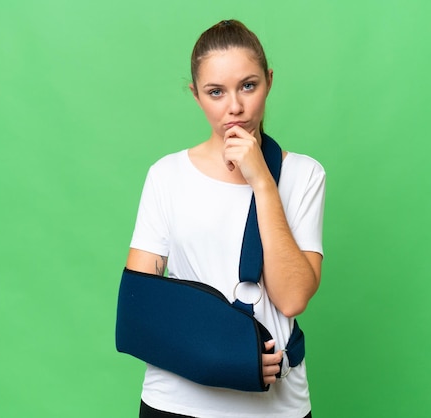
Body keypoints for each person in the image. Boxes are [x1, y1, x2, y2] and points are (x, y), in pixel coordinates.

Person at [125, 19, 326, 418]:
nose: (234, 107)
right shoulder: (167, 175)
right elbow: (141, 311)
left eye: (248, 86)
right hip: (176, 402)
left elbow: (292, 297)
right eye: (216, 92)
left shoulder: (304, 175)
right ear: (196, 95)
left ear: (268, 81)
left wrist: (263, 183)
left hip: (275, 407)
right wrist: (225, 356)